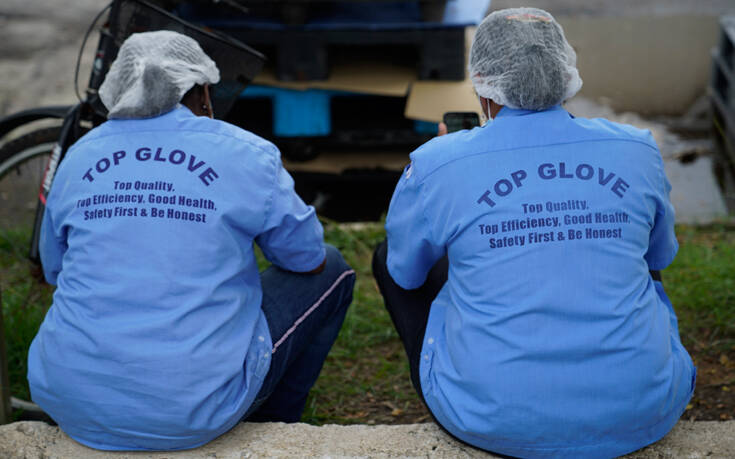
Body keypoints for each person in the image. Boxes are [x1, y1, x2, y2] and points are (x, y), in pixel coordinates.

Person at [372, 7, 695, 458]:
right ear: (567, 73)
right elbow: (660, 257)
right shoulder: (636, 148)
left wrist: (448, 159)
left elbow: (406, 275)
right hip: (644, 410)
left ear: (481, 84)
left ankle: (468, 376)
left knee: (391, 255)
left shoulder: (437, 162)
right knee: (635, 254)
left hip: (488, 420)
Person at [27, 30, 355, 451]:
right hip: (193, 410)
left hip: (70, 402)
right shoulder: (246, 152)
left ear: (117, 90)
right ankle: (275, 425)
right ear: (202, 92)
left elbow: (55, 270)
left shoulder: (79, 156)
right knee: (333, 268)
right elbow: (307, 260)